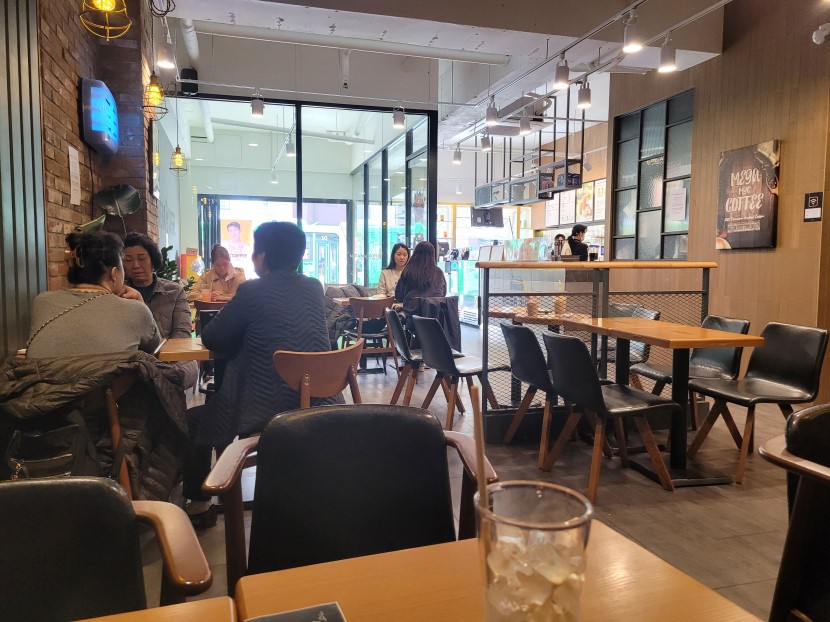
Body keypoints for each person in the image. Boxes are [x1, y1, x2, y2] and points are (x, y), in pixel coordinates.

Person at [183, 221, 334, 527]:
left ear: (261, 256)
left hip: (268, 406)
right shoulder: (314, 287)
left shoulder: (252, 290)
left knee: (194, 420)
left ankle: (199, 504)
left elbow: (212, 337)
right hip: (321, 400)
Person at [27, 231, 161, 357]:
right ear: (114, 273)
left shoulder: (42, 302)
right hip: (112, 375)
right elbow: (155, 347)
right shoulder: (135, 309)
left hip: (46, 375)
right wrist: (140, 302)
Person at [123, 232, 198, 389]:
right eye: (128, 260)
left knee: (183, 371)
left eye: (142, 258)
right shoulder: (119, 293)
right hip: (133, 360)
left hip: (170, 360)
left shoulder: (174, 291)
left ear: (153, 260)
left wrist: (160, 359)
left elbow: (182, 334)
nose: (135, 265)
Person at [394, 241, 447, 315]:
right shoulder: (439, 272)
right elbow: (443, 293)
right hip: (435, 316)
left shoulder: (408, 271)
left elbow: (399, 296)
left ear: (415, 254)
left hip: (412, 316)